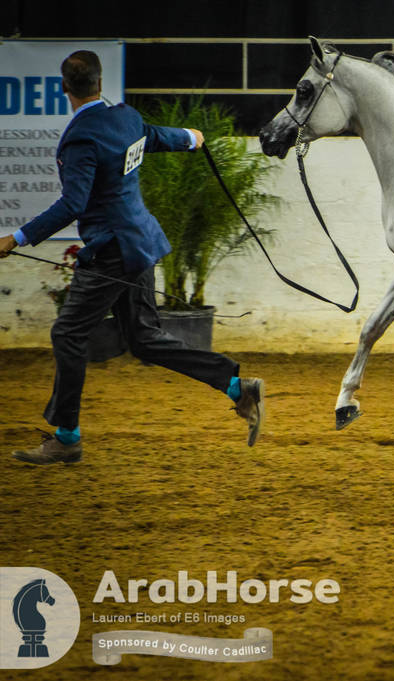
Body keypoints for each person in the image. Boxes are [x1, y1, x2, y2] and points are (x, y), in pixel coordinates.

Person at [0, 50, 264, 464]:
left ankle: (67, 437)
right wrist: (191, 138)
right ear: (101, 83)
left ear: (64, 87)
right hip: (140, 244)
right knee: (144, 339)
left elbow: (72, 204)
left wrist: (16, 238)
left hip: (111, 252)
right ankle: (236, 386)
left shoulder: (80, 138)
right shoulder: (125, 117)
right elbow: (156, 137)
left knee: (67, 334)